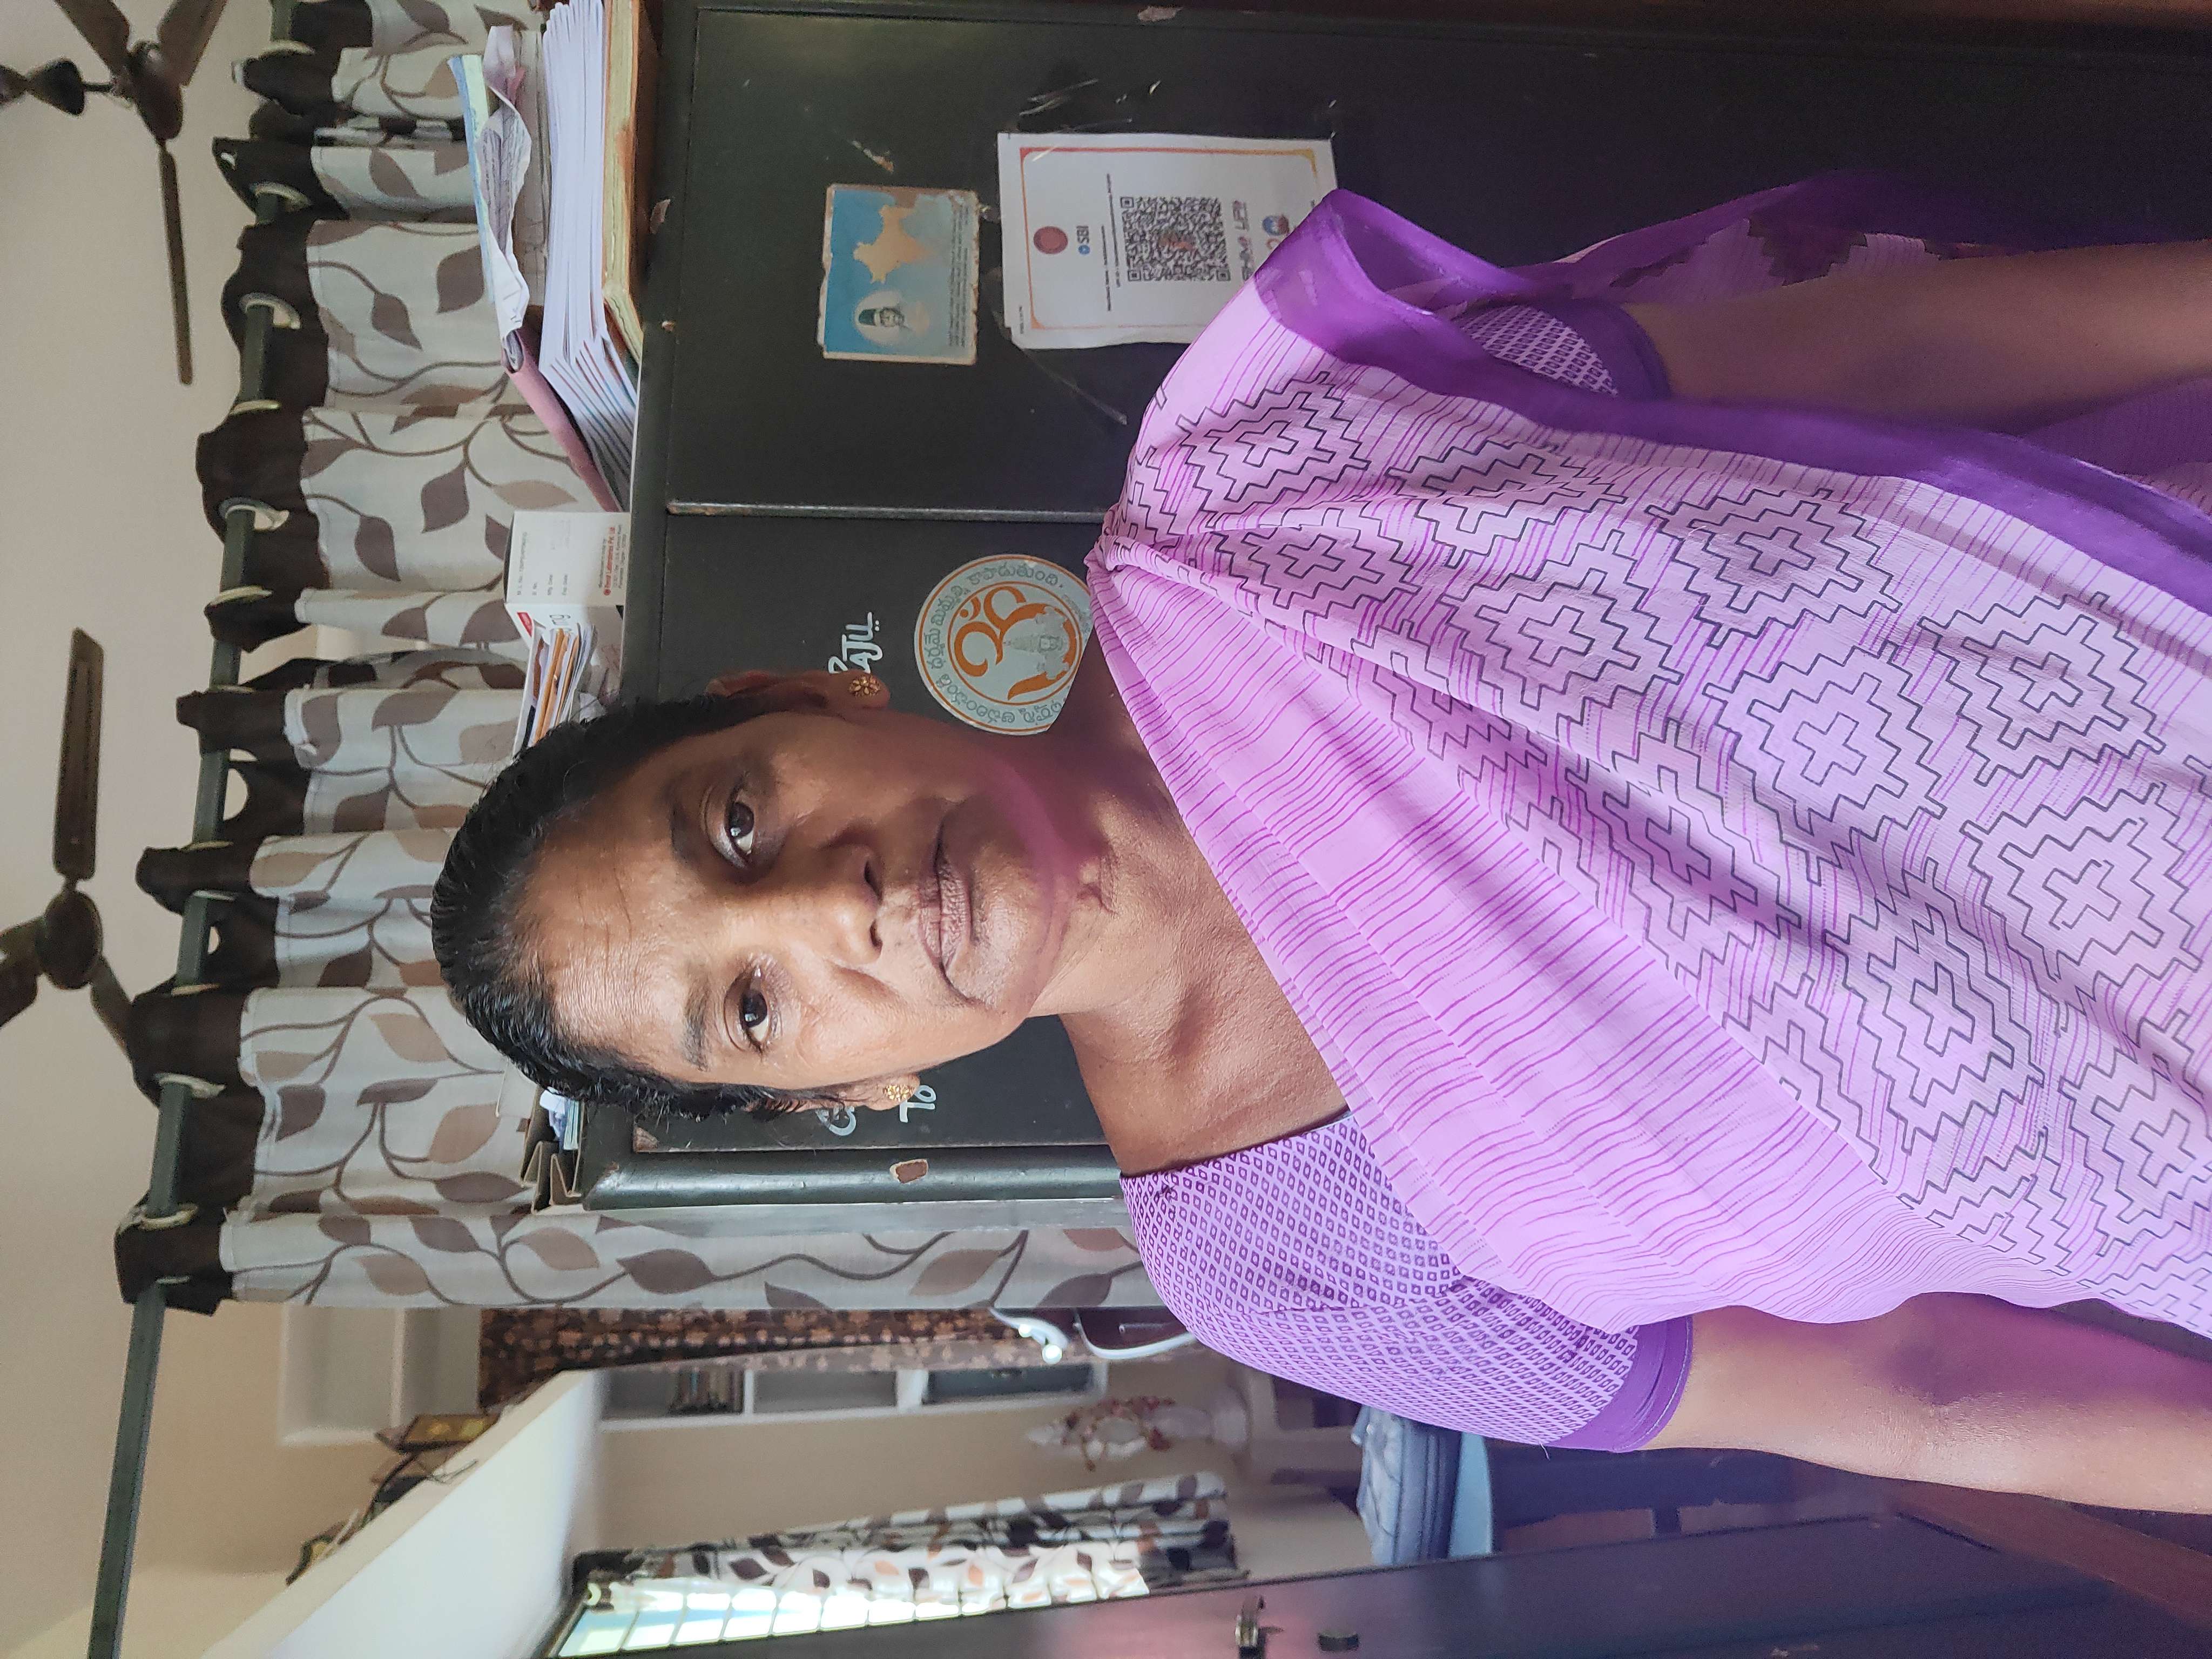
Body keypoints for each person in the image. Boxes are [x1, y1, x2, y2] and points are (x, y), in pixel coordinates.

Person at [435, 178, 2212, 1510]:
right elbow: (1911, 1385)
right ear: (840, 1095)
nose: (836, 910)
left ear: (797, 697)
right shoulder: (1285, 1262)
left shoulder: (1271, 480)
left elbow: (1905, 357)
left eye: (737, 823)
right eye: (752, 1009)